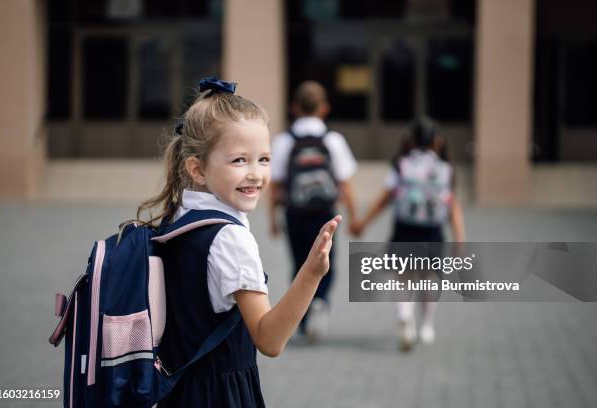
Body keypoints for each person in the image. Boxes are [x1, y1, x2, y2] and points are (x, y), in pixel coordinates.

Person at [137, 78, 341, 407]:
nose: (256, 174)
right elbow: (269, 339)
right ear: (197, 169)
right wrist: (312, 272)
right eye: (239, 161)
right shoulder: (230, 239)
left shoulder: (177, 216)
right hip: (220, 395)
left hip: (177, 389)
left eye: (264, 159)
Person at [351, 117, 466, 351]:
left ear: (410, 140)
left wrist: (363, 222)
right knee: (429, 278)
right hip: (432, 230)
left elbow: (386, 198)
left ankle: (405, 316)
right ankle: (427, 325)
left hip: (405, 228)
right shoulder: (445, 168)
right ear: (437, 141)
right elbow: (453, 206)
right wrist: (460, 239)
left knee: (403, 277)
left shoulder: (402, 164)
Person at [268, 81, 357, 342]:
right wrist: (354, 217)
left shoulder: (284, 141)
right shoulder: (333, 140)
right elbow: (345, 183)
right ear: (324, 108)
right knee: (327, 262)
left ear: (294, 108)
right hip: (326, 213)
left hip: (294, 212)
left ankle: (303, 320)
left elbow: (275, 184)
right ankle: (321, 301)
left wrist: (273, 218)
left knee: (299, 263)